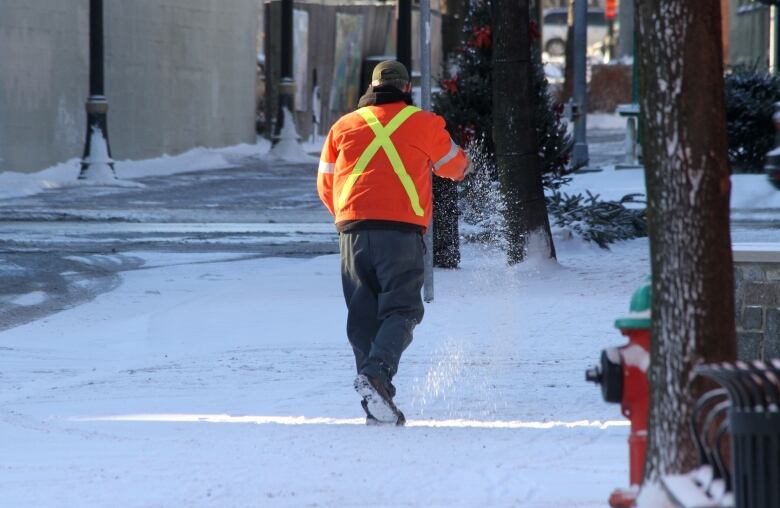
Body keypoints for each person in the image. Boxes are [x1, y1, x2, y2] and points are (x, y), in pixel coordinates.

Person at [317, 60, 470, 426]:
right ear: (407, 89)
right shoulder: (424, 123)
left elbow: (325, 184)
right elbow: (456, 167)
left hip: (351, 230)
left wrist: (349, 214)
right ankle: (376, 378)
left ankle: (376, 402)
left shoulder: (343, 126)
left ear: (370, 88)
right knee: (402, 310)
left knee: (362, 318)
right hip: (400, 231)